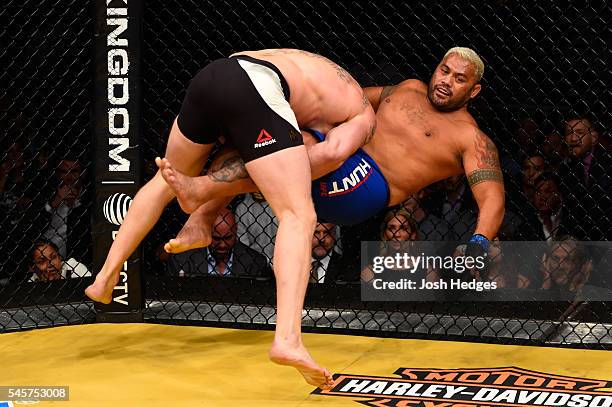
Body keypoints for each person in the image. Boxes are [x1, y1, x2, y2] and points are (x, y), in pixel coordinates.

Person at [85, 48, 376, 389]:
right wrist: (276, 175)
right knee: (298, 214)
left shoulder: (323, 76)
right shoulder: (364, 115)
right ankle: (288, 339)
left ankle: (105, 276)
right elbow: (332, 152)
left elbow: (244, 117)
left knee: (163, 181)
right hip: (257, 85)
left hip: (214, 74)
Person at [170, 47, 505, 254]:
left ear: (473, 91)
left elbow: (491, 199)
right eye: (444, 70)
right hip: (341, 146)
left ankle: (203, 188)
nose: (446, 80)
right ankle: (202, 218)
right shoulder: (408, 88)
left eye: (459, 79)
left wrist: (478, 242)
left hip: (367, 185)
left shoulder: (471, 138)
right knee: (255, 138)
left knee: (304, 146)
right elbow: (353, 97)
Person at [167, 208, 271, 278]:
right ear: (207, 232)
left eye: (228, 237)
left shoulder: (255, 262)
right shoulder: (182, 260)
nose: (222, 245)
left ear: (236, 231)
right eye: (216, 238)